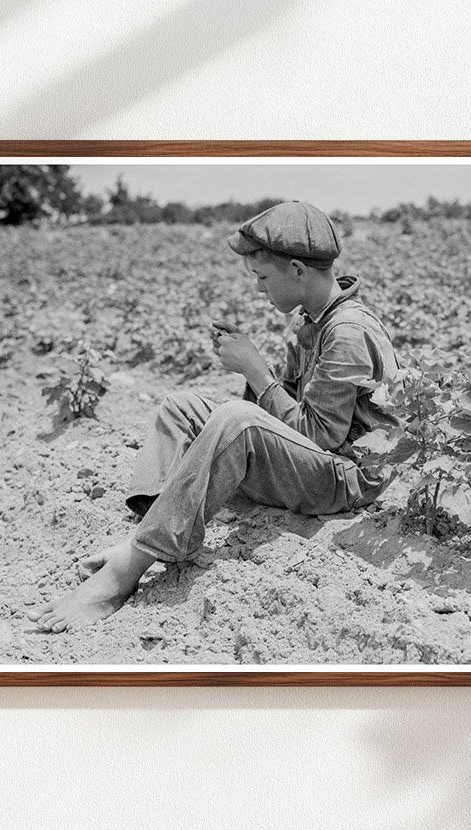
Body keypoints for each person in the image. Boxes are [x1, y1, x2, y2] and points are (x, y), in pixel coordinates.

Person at [29, 200, 400, 633]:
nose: (259, 289)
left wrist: (255, 371)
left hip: (349, 478)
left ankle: (125, 572)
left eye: (262, 277)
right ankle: (150, 528)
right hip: (319, 464)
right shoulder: (312, 321)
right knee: (180, 408)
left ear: (298, 270)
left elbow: (320, 437)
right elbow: (289, 416)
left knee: (235, 418)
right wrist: (255, 374)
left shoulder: (348, 331)